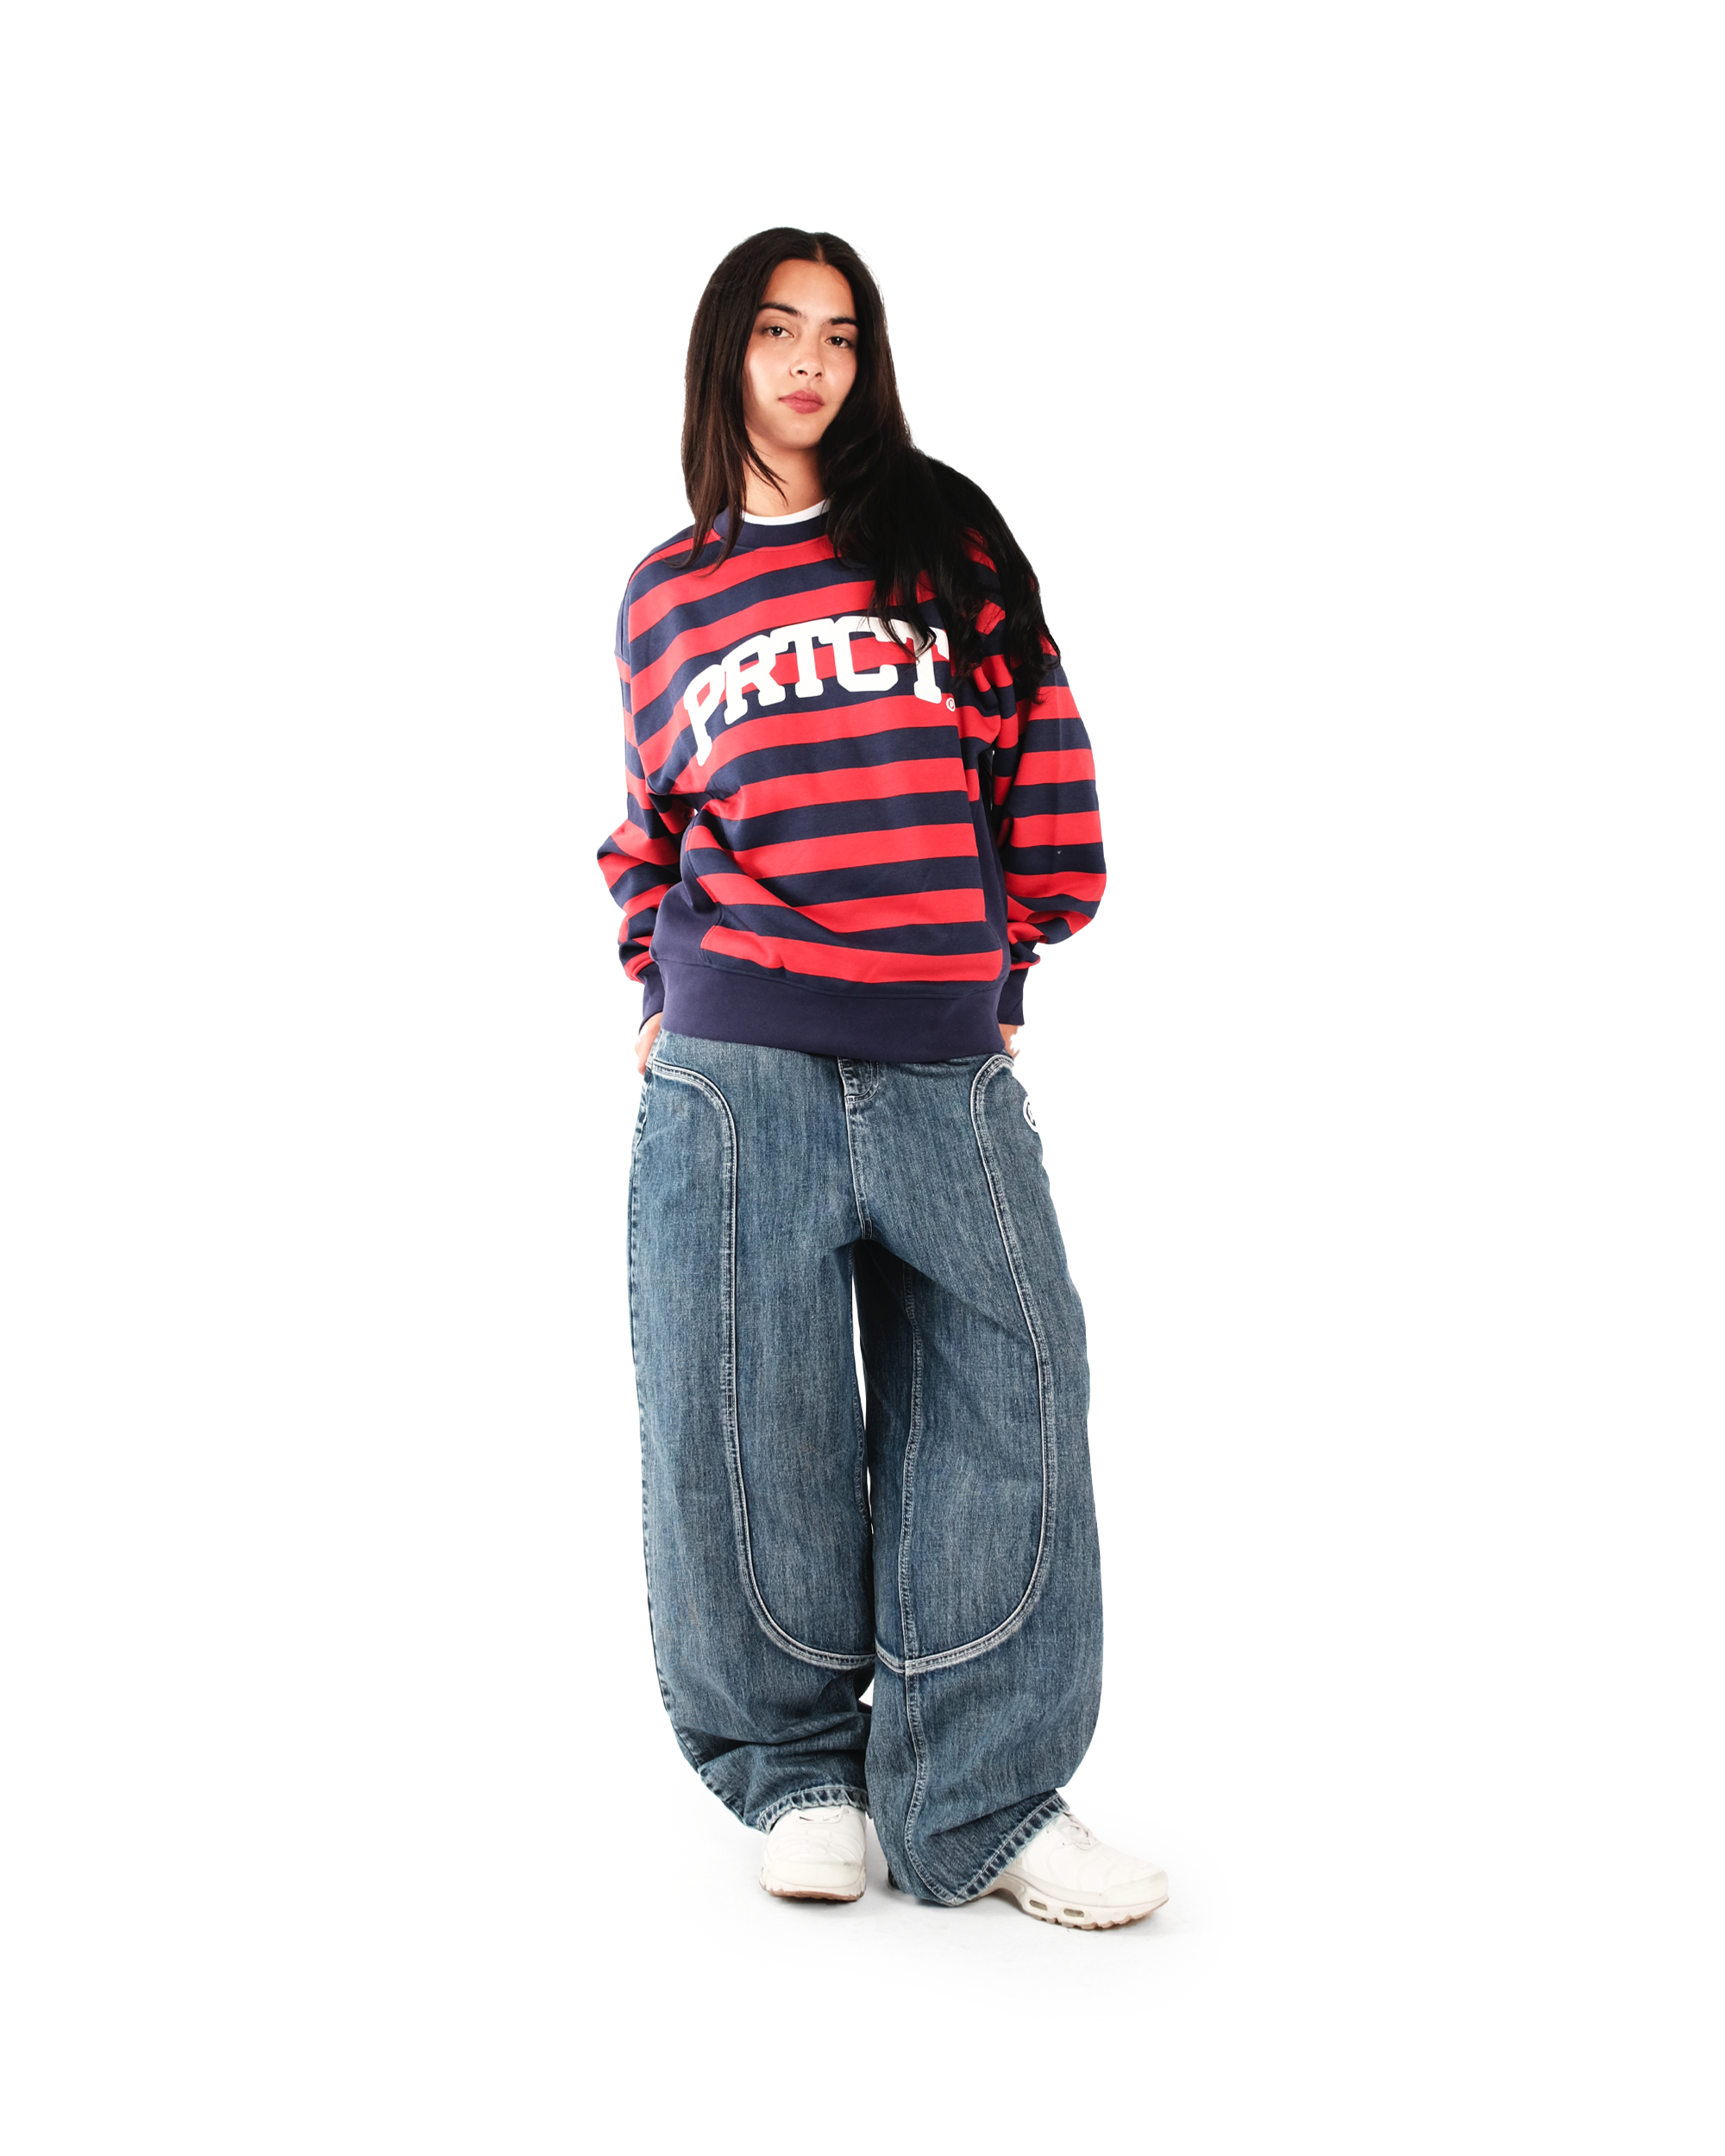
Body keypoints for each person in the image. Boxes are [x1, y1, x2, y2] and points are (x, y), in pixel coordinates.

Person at [598, 229, 1167, 1929]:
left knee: (1014, 1389)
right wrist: (656, 978)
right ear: (726, 353)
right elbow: (650, 821)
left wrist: (1011, 960)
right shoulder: (667, 593)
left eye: (840, 335)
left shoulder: (941, 539)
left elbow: (1036, 753)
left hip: (938, 1055)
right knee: (743, 1415)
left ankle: (982, 1795)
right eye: (779, 330)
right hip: (736, 1062)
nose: (809, 363)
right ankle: (801, 1773)